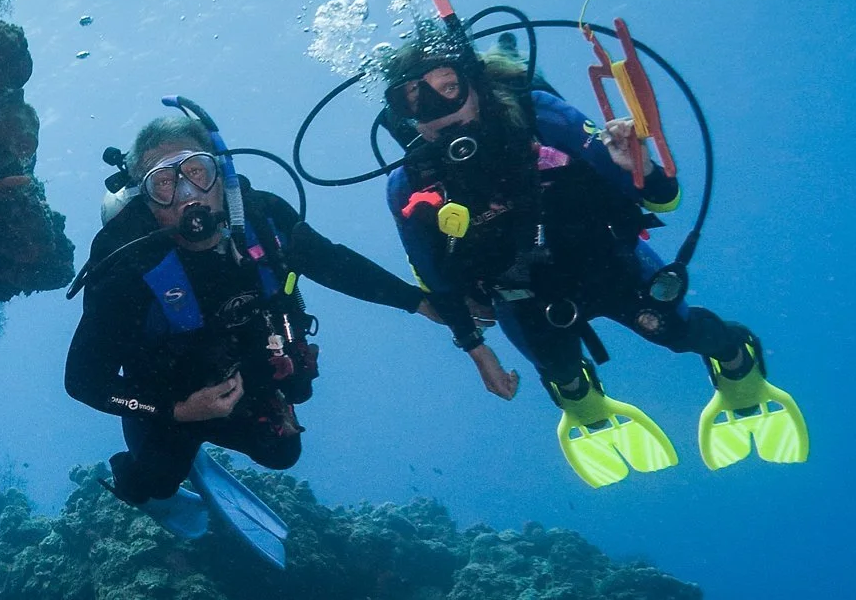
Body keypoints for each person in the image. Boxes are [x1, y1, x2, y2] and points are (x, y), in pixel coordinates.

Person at [379, 30, 808, 487]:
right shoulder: (409, 186)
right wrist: (475, 348)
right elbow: (435, 281)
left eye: (449, 88)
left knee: (679, 332)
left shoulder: (542, 119)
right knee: (564, 379)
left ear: (475, 83)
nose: (439, 109)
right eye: (415, 101)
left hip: (608, 263)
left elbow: (664, 200)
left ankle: (742, 380)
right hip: (522, 296)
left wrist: (637, 165)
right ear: (402, 117)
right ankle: (589, 412)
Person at [65, 113, 431, 560]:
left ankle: (196, 448)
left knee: (283, 452)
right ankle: (154, 476)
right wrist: (177, 410)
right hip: (166, 401)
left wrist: (419, 301)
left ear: (221, 172)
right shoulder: (125, 264)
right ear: (146, 202)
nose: (186, 195)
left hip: (244, 372)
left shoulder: (263, 220)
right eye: (163, 183)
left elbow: (333, 263)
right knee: (154, 482)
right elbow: (83, 381)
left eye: (196, 171)